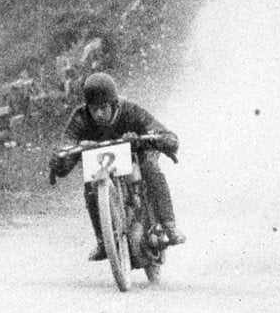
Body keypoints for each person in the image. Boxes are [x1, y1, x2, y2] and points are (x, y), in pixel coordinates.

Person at [48, 72, 186, 261]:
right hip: (103, 163)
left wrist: (149, 139)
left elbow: (164, 133)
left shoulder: (130, 110)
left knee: (150, 169)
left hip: (137, 153)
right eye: (93, 109)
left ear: (114, 104)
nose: (98, 114)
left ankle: (169, 226)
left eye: (103, 108)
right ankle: (103, 240)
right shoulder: (80, 117)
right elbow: (66, 146)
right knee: (90, 184)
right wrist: (62, 158)